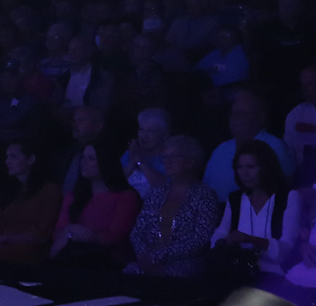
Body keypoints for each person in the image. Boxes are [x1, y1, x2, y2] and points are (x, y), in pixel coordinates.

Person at [128, 135, 221, 277]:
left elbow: (201, 239)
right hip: (147, 259)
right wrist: (144, 255)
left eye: (174, 157)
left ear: (190, 162)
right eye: (164, 157)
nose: (167, 162)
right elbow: (138, 230)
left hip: (185, 263)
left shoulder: (205, 195)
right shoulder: (157, 192)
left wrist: (157, 257)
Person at [209, 139, 301, 277]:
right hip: (238, 270)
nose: (244, 173)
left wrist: (250, 239)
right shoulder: (235, 198)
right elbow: (220, 233)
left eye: (250, 167)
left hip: (275, 275)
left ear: (266, 167)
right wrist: (224, 241)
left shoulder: (289, 197)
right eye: (240, 167)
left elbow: (287, 248)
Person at [50, 140, 140, 267]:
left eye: (91, 158)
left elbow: (114, 236)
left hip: (107, 260)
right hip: (71, 256)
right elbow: (58, 231)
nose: (84, 162)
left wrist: (75, 235)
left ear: (105, 162)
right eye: (83, 157)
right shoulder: (73, 195)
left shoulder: (126, 196)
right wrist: (71, 231)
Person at [0, 139, 60, 264]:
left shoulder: (50, 191)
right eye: (7, 157)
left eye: (13, 156)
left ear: (30, 160)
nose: (7, 162)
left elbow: (42, 233)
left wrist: (4, 239)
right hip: (1, 247)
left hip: (31, 250)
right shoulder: (8, 191)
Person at [203, 89, 294, 200]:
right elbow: (206, 186)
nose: (234, 120)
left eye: (241, 115)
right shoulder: (221, 148)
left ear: (261, 118)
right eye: (233, 114)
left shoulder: (274, 146)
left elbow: (285, 183)